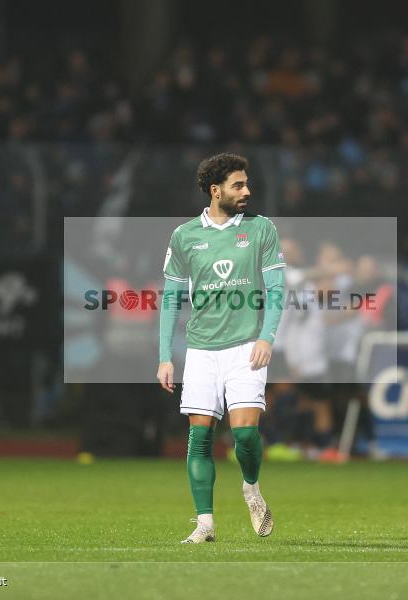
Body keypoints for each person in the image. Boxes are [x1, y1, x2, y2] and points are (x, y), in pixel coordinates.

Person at [157, 153, 286, 544]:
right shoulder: (184, 236)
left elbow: (277, 290)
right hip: (201, 351)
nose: (247, 191)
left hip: (246, 347)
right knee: (200, 438)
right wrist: (165, 355)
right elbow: (170, 299)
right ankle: (205, 524)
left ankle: (251, 487)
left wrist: (267, 337)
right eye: (238, 185)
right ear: (216, 191)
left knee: (245, 436)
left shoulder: (261, 229)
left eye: (247, 184)